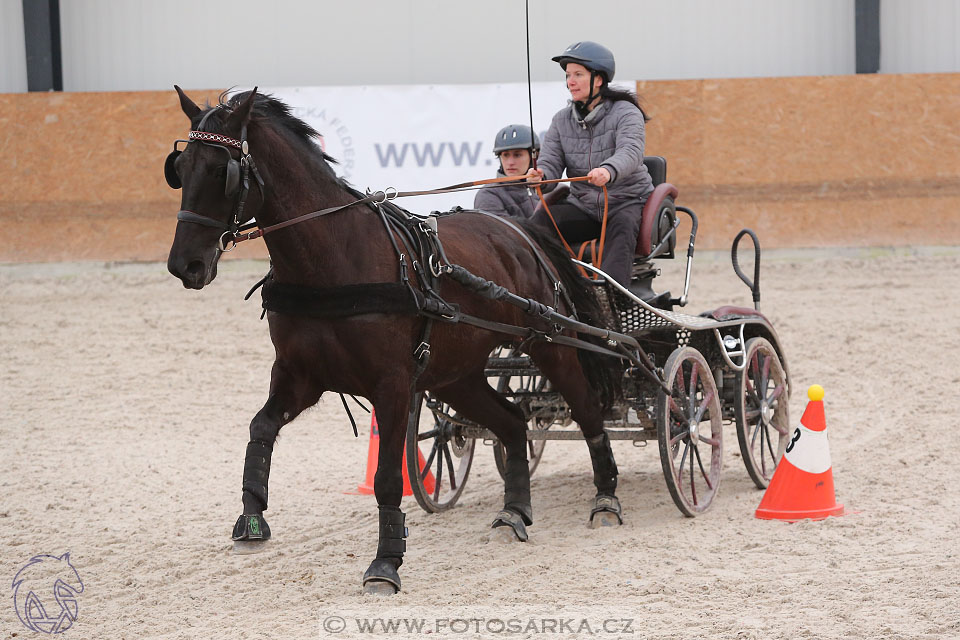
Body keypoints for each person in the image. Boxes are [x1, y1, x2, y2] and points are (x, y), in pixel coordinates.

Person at [527, 41, 654, 287]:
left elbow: (631, 151)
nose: (570, 82)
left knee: (623, 227)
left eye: (577, 75)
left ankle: (614, 297)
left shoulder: (626, 113)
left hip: (626, 201)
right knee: (540, 224)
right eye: (567, 76)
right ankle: (542, 287)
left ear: (598, 79)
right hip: (583, 206)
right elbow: (551, 162)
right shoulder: (561, 120)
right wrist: (540, 177)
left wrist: (608, 170)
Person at [473, 124, 541, 218]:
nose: (510, 162)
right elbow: (501, 232)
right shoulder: (488, 194)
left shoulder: (548, 189)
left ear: (534, 156)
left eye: (517, 155)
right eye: (505, 155)